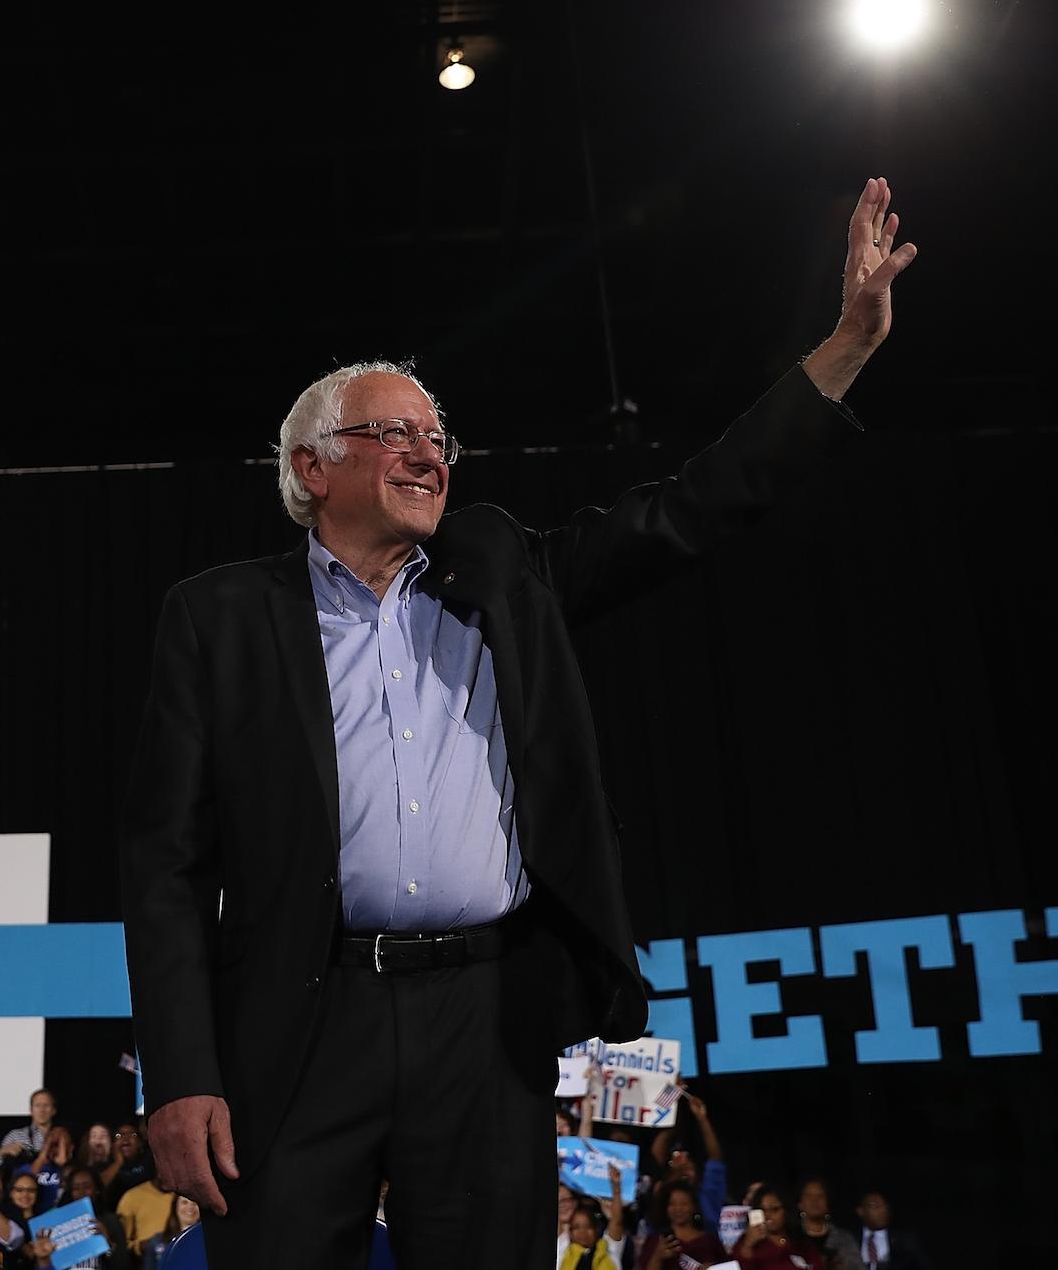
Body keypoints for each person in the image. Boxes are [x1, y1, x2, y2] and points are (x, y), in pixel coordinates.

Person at [122, 176, 918, 1269]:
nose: (426, 450)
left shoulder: (500, 570)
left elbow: (686, 509)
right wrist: (179, 1072)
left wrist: (842, 350)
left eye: (436, 433)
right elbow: (165, 863)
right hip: (300, 1025)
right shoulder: (216, 616)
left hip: (482, 1016)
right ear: (309, 468)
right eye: (391, 431)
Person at [648, 1086, 728, 1229]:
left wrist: (701, 1118)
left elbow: (715, 1159)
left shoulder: (708, 1197)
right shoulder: (660, 1198)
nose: (683, 1172)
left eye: (688, 1168)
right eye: (678, 1167)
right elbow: (658, 1150)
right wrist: (671, 1095)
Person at [637, 1180, 722, 1270]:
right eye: (672, 1204)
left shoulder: (710, 1242)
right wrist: (657, 1257)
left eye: (684, 1204)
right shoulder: (655, 1241)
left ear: (694, 1206)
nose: (678, 1209)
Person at [736, 1185, 824, 1269]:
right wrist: (747, 1246)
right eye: (762, 1210)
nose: (768, 1216)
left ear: (786, 1211)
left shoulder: (801, 1242)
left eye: (774, 1210)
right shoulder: (746, 1242)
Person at [853, 1191, 933, 1269]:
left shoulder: (906, 1240)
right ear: (860, 1211)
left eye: (885, 1207)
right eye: (875, 1206)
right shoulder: (848, 1238)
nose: (882, 1211)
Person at [796, 1179, 859, 1269]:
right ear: (800, 1204)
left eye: (820, 1196)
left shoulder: (844, 1239)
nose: (814, 1201)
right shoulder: (791, 1237)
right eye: (809, 1196)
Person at [115, 1174, 175, 1258]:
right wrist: (140, 1246)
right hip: (143, 1259)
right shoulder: (132, 1197)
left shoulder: (184, 1197)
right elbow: (122, 1242)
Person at [136, 1197, 200, 1270]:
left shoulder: (209, 1241)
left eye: (195, 1203)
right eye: (184, 1202)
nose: (190, 1207)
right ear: (175, 1207)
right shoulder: (157, 1241)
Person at [0, 1092, 58, 1166]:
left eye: (46, 1105)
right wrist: (2, 1153)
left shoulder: (61, 1136)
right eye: (37, 1105)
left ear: (54, 1110)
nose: (42, 1110)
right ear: (31, 1110)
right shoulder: (15, 1135)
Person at [24, 1128, 75, 1211]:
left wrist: (63, 1161)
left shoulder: (77, 1169)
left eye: (58, 1145)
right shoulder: (34, 1167)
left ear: (71, 1148)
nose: (54, 1150)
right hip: (37, 1214)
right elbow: (27, 1177)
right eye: (51, 1145)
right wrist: (42, 1157)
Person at [559, 1205, 617, 1270]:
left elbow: (617, 1222)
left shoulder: (609, 1249)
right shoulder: (562, 1251)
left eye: (588, 1226)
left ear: (596, 1229)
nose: (582, 1232)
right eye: (576, 1227)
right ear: (570, 1231)